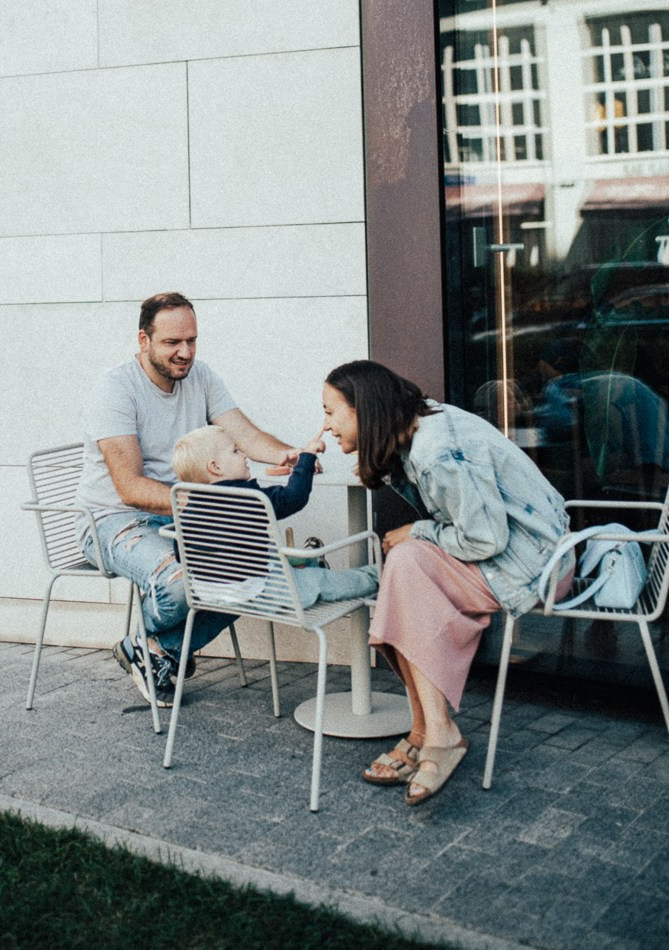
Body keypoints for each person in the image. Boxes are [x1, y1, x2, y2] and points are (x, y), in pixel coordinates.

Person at [321, 359, 573, 807]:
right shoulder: (419, 427)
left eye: (330, 412)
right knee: (404, 573)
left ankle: (437, 735)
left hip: (533, 566)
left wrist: (418, 532)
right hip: (519, 556)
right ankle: (428, 732)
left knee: (405, 565)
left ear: (364, 410)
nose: (325, 426)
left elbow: (485, 538)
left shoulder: (435, 451)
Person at [77, 291, 300, 707]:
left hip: (178, 515)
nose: (185, 353)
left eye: (192, 341)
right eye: (172, 343)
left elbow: (245, 436)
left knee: (251, 576)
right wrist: (209, 507)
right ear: (143, 341)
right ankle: (160, 649)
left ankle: (153, 648)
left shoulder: (201, 377)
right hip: (113, 521)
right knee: (178, 586)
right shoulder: (114, 389)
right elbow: (130, 488)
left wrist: (291, 455)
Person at [171, 425, 377, 608]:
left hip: (212, 597)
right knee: (324, 581)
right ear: (215, 467)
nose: (245, 455)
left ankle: (309, 563)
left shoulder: (188, 508)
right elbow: (294, 497)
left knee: (286, 560)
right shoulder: (248, 498)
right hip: (263, 593)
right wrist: (306, 458)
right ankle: (378, 576)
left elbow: (182, 555)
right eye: (235, 451)